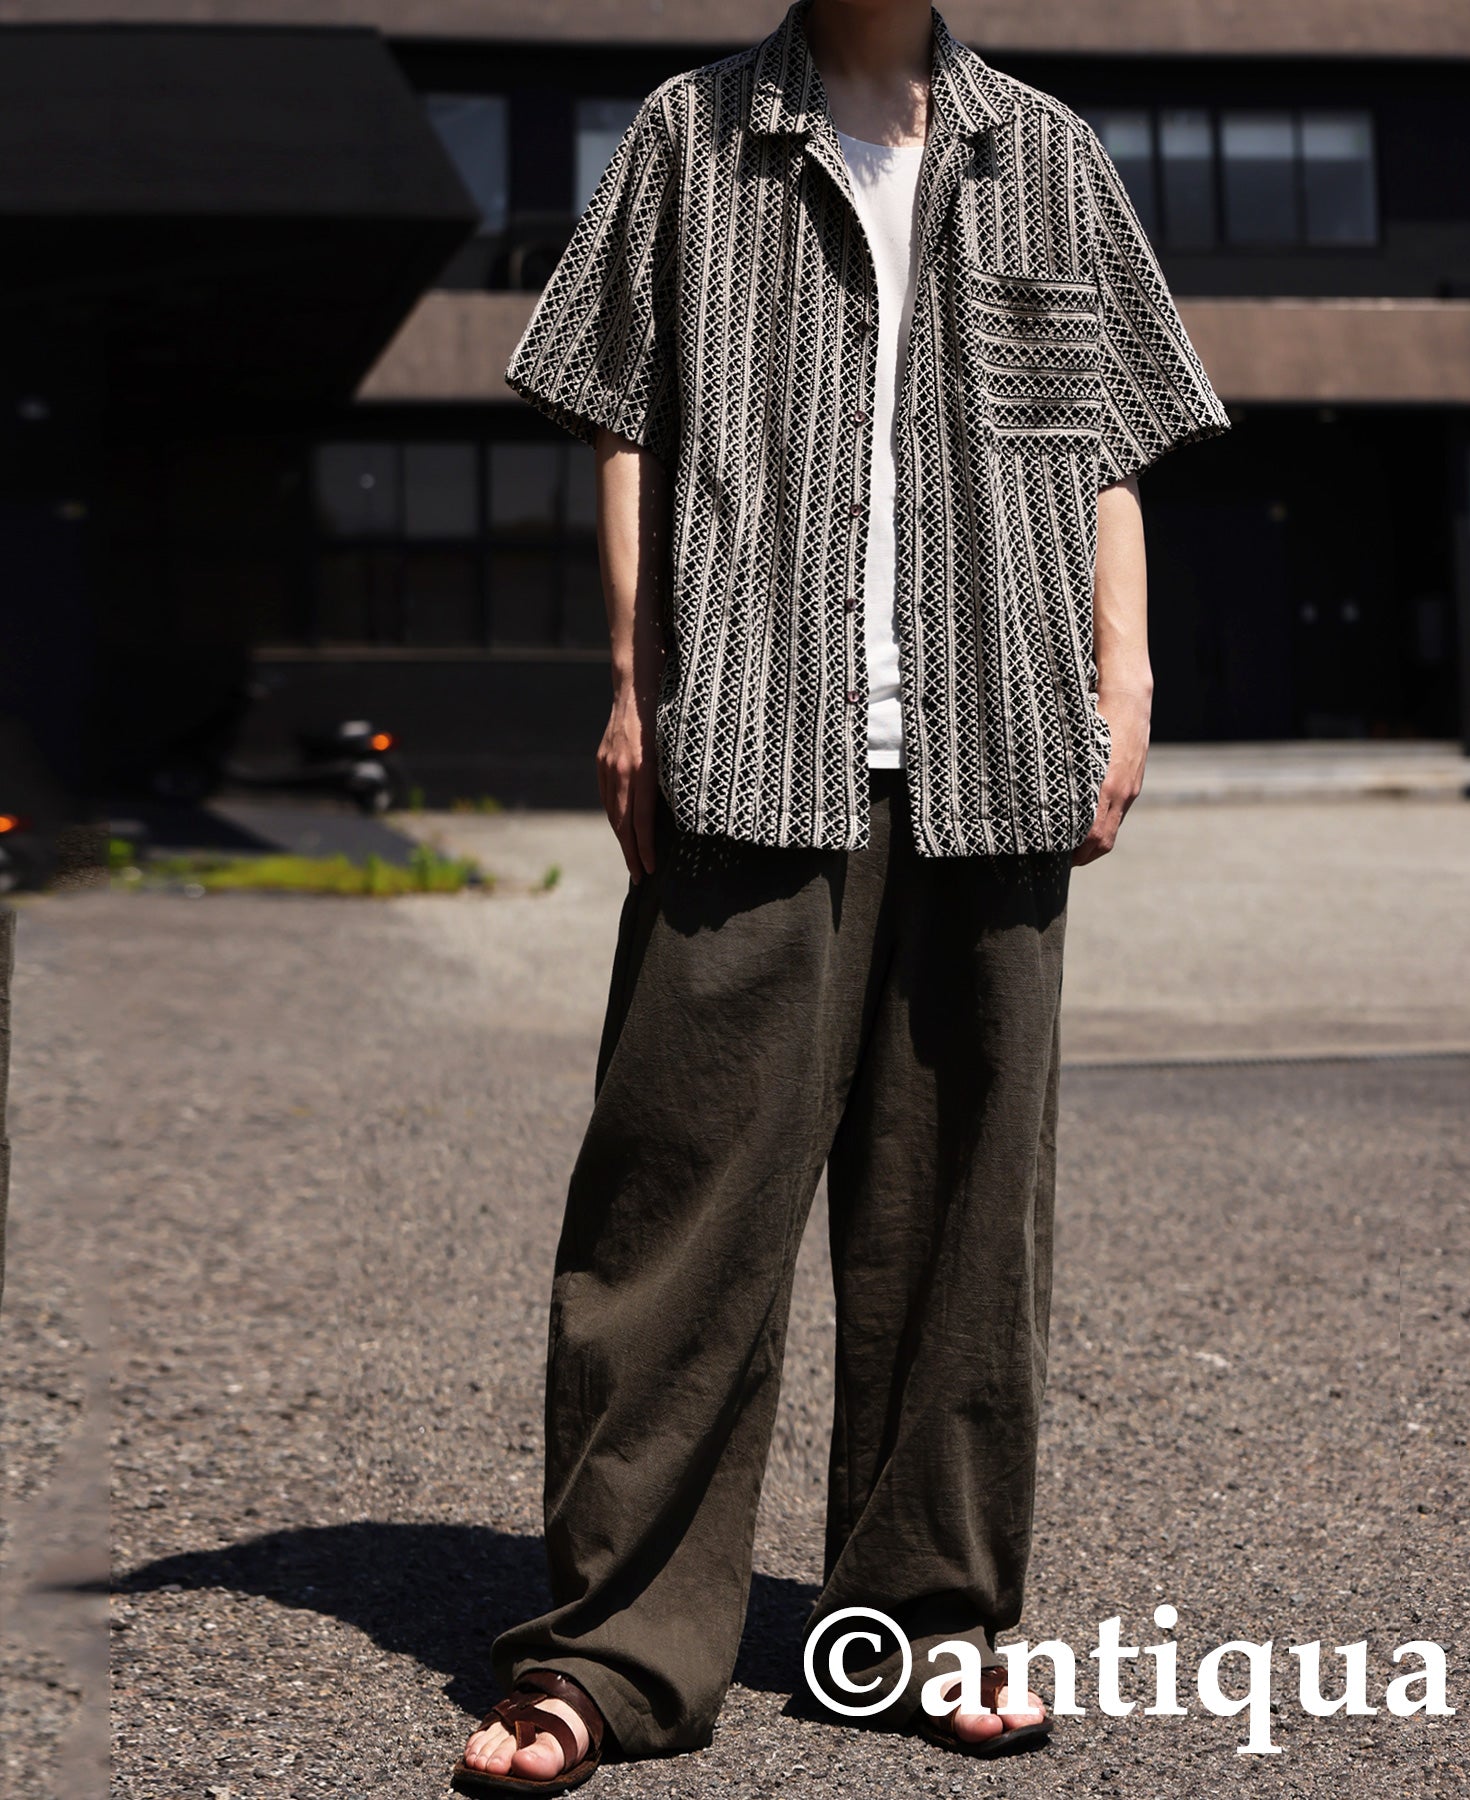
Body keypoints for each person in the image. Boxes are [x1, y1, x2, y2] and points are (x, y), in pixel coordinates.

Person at [453, 0, 1230, 1790]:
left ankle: (921, 1629)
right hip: (748, 729)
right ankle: (613, 1655)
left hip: (996, 737)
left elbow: (1107, 445)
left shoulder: (1047, 155)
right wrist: (636, 681)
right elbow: (625, 418)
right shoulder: (693, 134)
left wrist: (1125, 680)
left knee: (964, 1223)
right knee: (674, 1205)